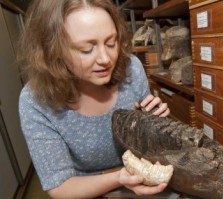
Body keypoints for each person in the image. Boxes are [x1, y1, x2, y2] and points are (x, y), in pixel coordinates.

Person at [18, 0, 170, 198]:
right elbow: (60, 187)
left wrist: (157, 121)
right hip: (86, 188)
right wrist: (119, 177)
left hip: (139, 175)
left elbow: (147, 145)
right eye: (86, 50)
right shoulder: (34, 101)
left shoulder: (131, 68)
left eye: (110, 42)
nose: (105, 59)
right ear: (53, 50)